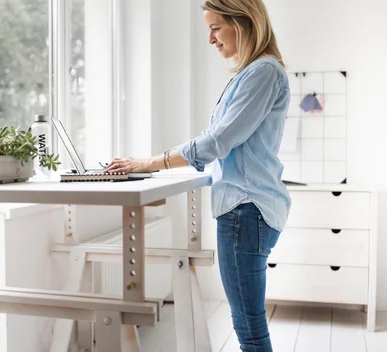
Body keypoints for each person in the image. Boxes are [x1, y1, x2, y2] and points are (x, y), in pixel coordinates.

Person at [105, 0, 290, 350]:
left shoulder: (263, 72)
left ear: (244, 22)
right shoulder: (253, 73)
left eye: (215, 28)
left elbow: (218, 141)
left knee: (249, 328)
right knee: (247, 323)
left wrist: (150, 162)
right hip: (245, 210)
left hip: (245, 210)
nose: (211, 40)